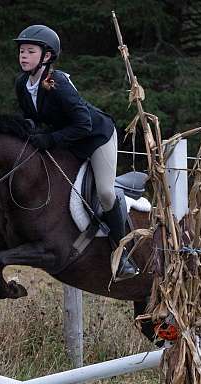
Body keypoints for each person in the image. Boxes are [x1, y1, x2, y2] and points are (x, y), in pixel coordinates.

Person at [14, 24, 138, 280]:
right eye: (21, 51)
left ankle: (123, 254)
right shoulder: (22, 84)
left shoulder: (57, 82)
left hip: (95, 137)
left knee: (104, 192)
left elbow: (84, 124)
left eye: (30, 51)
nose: (23, 56)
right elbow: (31, 119)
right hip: (67, 141)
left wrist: (50, 139)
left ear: (46, 56)